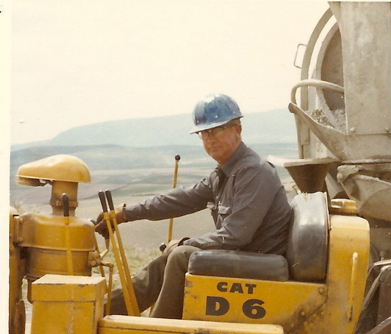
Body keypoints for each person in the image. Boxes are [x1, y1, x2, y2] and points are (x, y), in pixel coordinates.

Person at [96, 94, 293, 319]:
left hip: (260, 264)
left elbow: (236, 235)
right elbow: (180, 199)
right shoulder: (224, 173)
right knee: (167, 260)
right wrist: (124, 214)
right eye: (205, 133)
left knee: (181, 255)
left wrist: (185, 243)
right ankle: (97, 313)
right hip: (242, 258)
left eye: (218, 130)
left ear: (238, 129)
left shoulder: (254, 172)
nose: (211, 139)